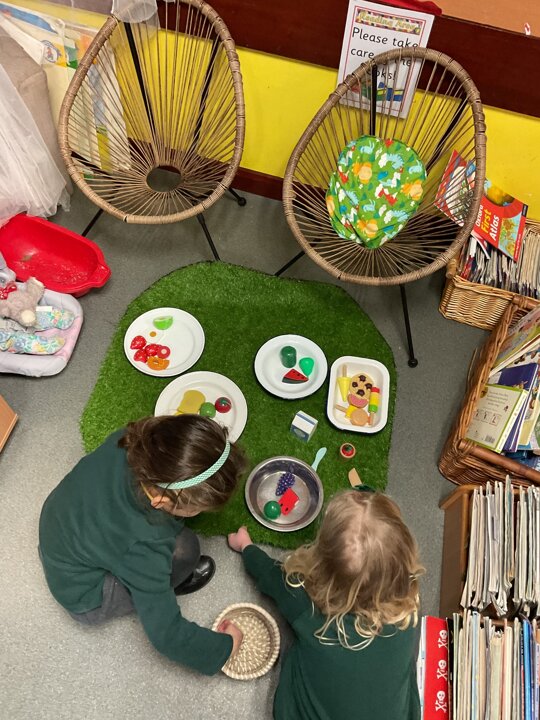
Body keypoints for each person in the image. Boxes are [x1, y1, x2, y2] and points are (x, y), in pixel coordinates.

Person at [39, 414, 246, 675]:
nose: (199, 513)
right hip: (83, 593)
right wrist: (226, 647)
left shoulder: (132, 439)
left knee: (175, 544)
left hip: (61, 527)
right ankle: (163, 587)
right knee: (186, 551)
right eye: (197, 508)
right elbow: (167, 635)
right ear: (161, 501)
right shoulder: (143, 545)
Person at [228, 488, 424, 719]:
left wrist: (246, 546)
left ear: (322, 565)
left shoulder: (304, 603)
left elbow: (268, 575)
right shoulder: (407, 607)